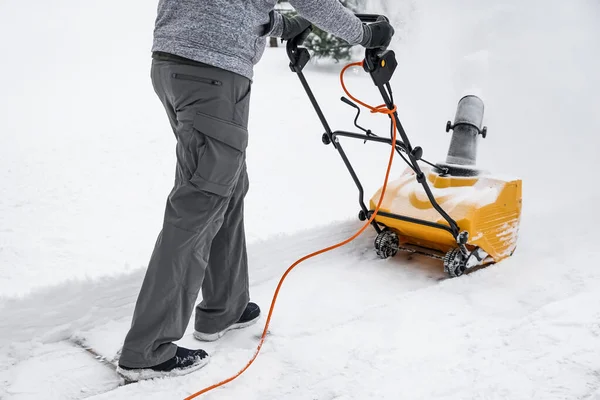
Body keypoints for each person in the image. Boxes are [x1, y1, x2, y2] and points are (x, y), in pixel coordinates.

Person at [116, 0, 395, 382]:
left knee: (226, 185)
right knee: (201, 201)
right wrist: (366, 34)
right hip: (212, 75)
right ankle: (146, 350)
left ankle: (225, 307)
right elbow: (315, 3)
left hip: (172, 64)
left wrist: (279, 23)